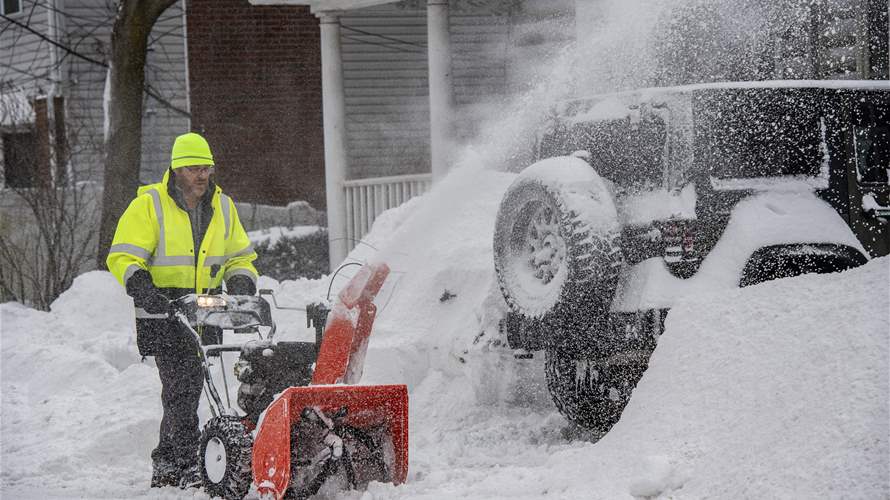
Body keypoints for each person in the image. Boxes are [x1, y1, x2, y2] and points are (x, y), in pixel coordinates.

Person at [106, 132, 258, 488]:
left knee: (185, 389)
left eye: (206, 167)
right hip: (163, 314)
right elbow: (122, 255)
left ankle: (167, 463)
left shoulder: (223, 206)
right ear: (176, 169)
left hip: (204, 313)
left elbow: (241, 256)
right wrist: (141, 285)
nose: (202, 175)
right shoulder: (150, 205)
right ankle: (188, 463)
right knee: (182, 388)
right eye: (193, 168)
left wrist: (240, 281)